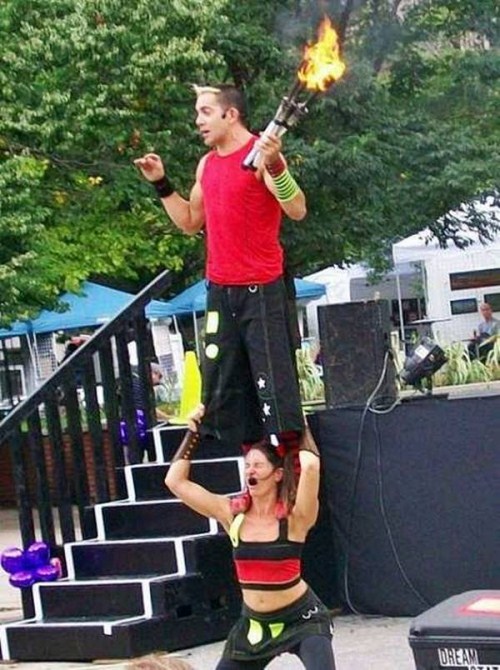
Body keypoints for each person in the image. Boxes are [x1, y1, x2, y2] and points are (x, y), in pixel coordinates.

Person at [134, 83, 307, 454]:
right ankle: (252, 468)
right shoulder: (207, 164)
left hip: (261, 290)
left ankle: (298, 466)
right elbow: (189, 221)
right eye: (197, 112)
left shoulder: (261, 154)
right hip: (220, 291)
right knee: (225, 392)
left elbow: (296, 208)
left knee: (275, 392)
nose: (198, 120)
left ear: (231, 115)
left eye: (206, 112)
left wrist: (275, 164)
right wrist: (161, 183)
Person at [164, 407, 336, 670]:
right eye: (247, 465)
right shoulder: (231, 514)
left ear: (277, 474)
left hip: (302, 619)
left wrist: (297, 421)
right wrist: (193, 433)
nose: (250, 471)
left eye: (258, 465)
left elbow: (311, 466)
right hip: (254, 625)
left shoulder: (296, 518)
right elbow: (175, 482)